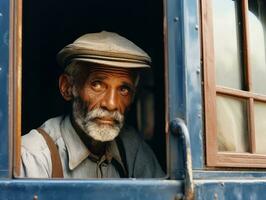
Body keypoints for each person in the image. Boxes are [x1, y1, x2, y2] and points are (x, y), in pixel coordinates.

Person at [20, 31, 165, 178]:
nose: (111, 104)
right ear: (67, 87)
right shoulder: (33, 156)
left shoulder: (132, 147)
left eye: (123, 89)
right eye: (97, 85)